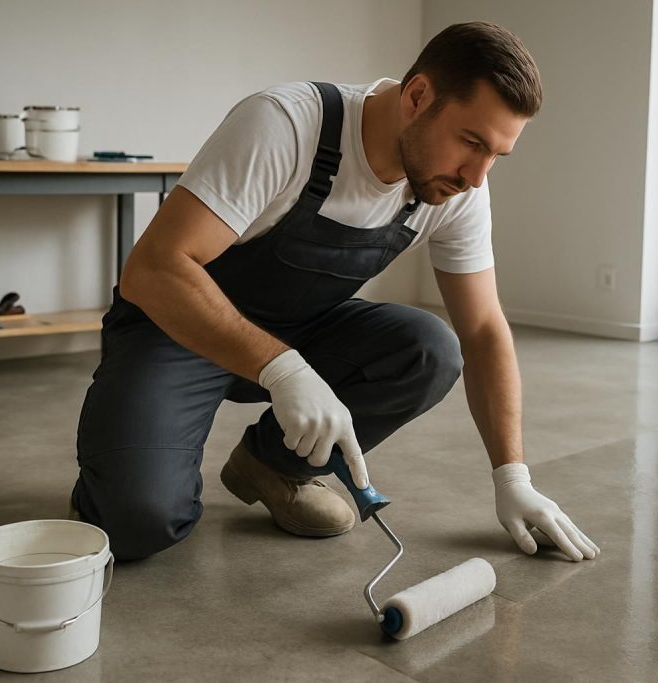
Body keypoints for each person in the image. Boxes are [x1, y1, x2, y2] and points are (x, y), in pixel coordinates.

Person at [71, 21, 599, 564]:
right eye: (471, 142)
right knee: (137, 521)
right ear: (418, 96)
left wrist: (513, 477)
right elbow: (154, 269)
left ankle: (274, 465)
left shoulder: (453, 188)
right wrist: (282, 369)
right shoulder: (286, 124)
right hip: (175, 329)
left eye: (496, 155)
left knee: (429, 347)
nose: (477, 176)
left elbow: (484, 331)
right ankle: (118, 481)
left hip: (299, 328)